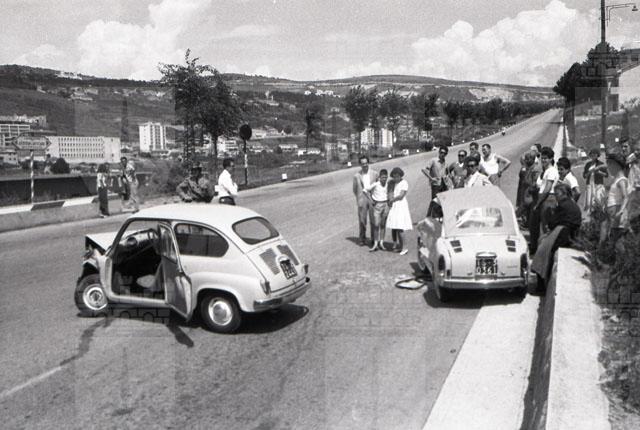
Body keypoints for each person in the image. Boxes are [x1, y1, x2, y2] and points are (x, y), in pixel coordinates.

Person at [529, 146, 559, 254]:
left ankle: (547, 252)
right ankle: (537, 249)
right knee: (537, 226)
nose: (543, 160)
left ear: (551, 159)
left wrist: (538, 203)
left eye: (546, 158)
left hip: (548, 199)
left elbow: (547, 188)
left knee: (546, 227)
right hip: (542, 198)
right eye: (542, 158)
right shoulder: (545, 171)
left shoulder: (552, 171)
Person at [602, 153, 629, 244]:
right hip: (613, 214)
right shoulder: (615, 179)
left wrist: (621, 211)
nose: (608, 167)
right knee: (611, 236)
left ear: (616, 165)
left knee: (617, 239)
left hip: (617, 213)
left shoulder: (621, 180)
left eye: (609, 164)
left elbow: (625, 197)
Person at [386, 167, 412, 255]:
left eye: (397, 176)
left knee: (400, 227)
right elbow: (389, 192)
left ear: (401, 175)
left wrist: (392, 200)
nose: (396, 178)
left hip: (401, 205)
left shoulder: (404, 183)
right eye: (394, 176)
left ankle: (405, 247)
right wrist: (390, 200)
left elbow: (401, 196)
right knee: (395, 226)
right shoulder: (392, 183)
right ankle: (400, 246)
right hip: (394, 206)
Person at [353, 155, 377, 246]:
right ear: (360, 165)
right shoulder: (356, 176)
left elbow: (378, 186)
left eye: (366, 163)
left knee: (373, 220)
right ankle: (362, 238)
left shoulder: (375, 174)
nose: (365, 165)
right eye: (363, 163)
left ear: (368, 163)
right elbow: (355, 189)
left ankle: (374, 239)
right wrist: (359, 198)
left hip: (372, 198)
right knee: (362, 220)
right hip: (362, 199)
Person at [363, 169, 389, 251]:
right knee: (376, 225)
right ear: (379, 177)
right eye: (382, 177)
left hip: (385, 205)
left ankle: (381, 243)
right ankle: (375, 243)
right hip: (377, 206)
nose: (384, 179)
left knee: (383, 225)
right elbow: (365, 190)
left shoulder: (388, 184)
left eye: (385, 177)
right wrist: (371, 200)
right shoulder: (375, 184)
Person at [620, 139, 640, 232]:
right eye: (622, 147)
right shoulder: (631, 160)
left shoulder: (633, 158)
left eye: (626, 146)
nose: (623, 149)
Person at [517, 151, 541, 227]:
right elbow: (521, 175)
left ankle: (527, 222)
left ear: (533, 159)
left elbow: (535, 182)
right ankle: (526, 222)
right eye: (526, 159)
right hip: (525, 189)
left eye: (528, 159)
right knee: (526, 207)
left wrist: (530, 189)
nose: (526, 161)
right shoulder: (527, 167)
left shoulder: (535, 169)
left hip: (530, 191)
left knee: (527, 206)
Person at [583, 148, 607, 213]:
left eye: (595, 154)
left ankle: (599, 215)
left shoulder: (601, 164)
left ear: (597, 155)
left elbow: (606, 175)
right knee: (589, 203)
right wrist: (589, 172)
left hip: (598, 185)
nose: (593, 155)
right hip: (589, 185)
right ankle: (590, 215)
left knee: (598, 201)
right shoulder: (588, 164)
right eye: (592, 154)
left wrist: (598, 172)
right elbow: (584, 176)